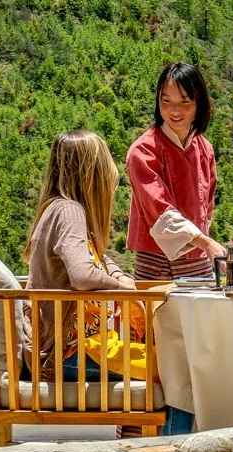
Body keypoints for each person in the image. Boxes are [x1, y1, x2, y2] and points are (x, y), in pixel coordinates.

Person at [22, 129, 194, 435]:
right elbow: (83, 274)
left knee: (170, 364)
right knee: (179, 374)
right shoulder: (70, 211)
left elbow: (97, 261)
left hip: (60, 351)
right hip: (67, 355)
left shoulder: (58, 208)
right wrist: (124, 288)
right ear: (92, 174)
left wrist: (117, 276)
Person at [126, 62, 227, 280]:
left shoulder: (204, 149)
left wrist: (203, 244)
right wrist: (206, 242)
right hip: (156, 263)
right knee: (157, 315)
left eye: (185, 102)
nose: (175, 111)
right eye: (166, 101)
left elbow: (206, 209)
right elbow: (160, 211)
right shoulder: (143, 151)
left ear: (199, 103)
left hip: (198, 260)